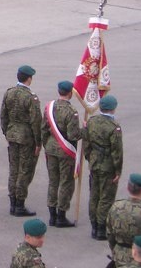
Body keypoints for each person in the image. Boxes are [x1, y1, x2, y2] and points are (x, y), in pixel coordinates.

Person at [0, 65, 41, 217]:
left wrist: (6, 131)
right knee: (24, 170)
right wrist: (38, 142)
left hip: (12, 134)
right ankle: (19, 204)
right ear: (29, 79)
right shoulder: (31, 97)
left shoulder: (9, 93)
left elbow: (3, 115)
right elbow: (36, 121)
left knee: (13, 169)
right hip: (26, 138)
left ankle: (12, 202)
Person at [41, 80, 81, 227]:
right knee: (66, 182)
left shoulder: (49, 107)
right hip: (65, 151)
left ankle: (52, 215)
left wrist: (47, 145)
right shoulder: (71, 112)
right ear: (70, 93)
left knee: (53, 181)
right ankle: (61, 216)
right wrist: (85, 130)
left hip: (51, 148)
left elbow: (44, 129)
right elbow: (73, 135)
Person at [83, 94, 123, 240]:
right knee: (106, 197)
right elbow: (117, 152)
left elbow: (86, 143)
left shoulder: (91, 122)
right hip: (108, 166)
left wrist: (89, 158)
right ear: (112, 109)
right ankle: (101, 228)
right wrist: (118, 170)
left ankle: (94, 225)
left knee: (94, 195)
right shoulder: (114, 127)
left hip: (94, 163)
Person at [106, 174, 141, 268]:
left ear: (128, 188)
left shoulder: (115, 207)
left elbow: (110, 234)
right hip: (140, 260)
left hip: (119, 258)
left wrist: (115, 251)